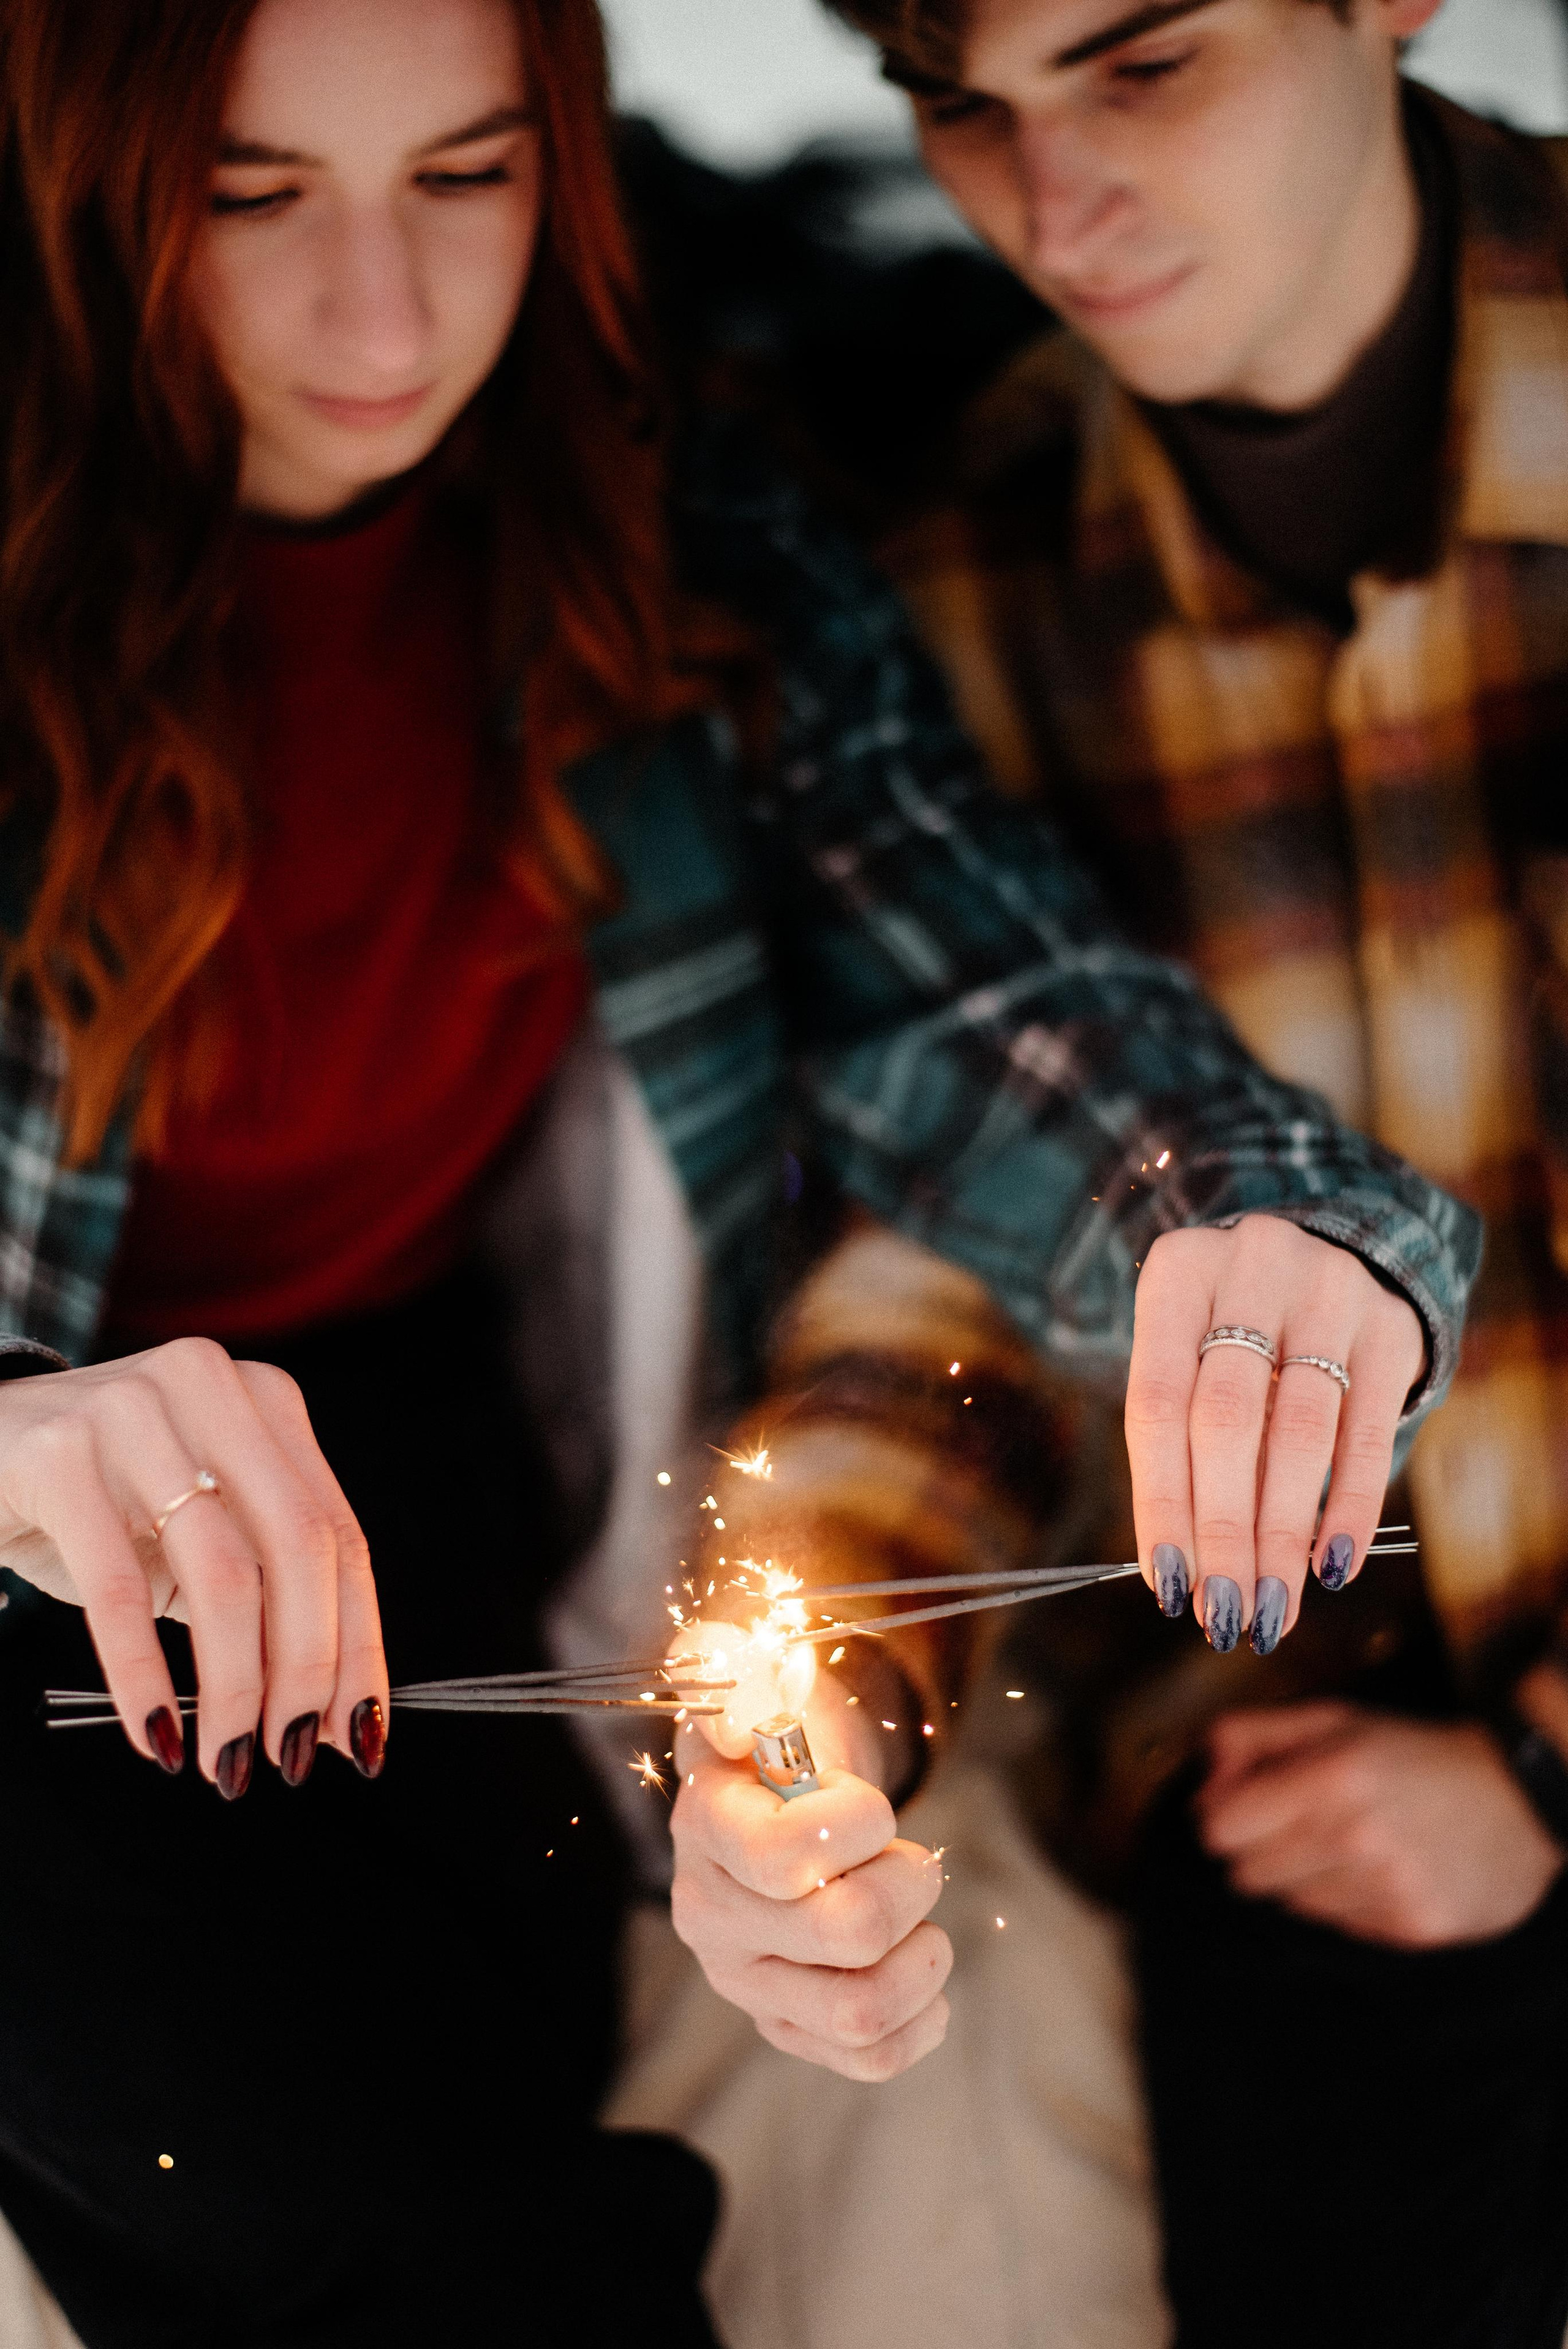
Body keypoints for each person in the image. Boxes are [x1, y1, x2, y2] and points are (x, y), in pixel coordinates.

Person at [0, 0, 1476, 2342]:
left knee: (481, 2118)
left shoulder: (681, 524)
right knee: (257, 2141)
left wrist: (1280, 1232)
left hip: (437, 1473)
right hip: (35, 1510)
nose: (382, 320)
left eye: (469, 178)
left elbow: (1001, 1011)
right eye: (250, 198)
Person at [810, 0, 1568, 2340]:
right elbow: (955, 1260)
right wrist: (817, 1708)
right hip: (1298, 1783)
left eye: (1144, 64)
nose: (1055, 203)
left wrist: (1544, 1773)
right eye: (964, 108)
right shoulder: (960, 564)